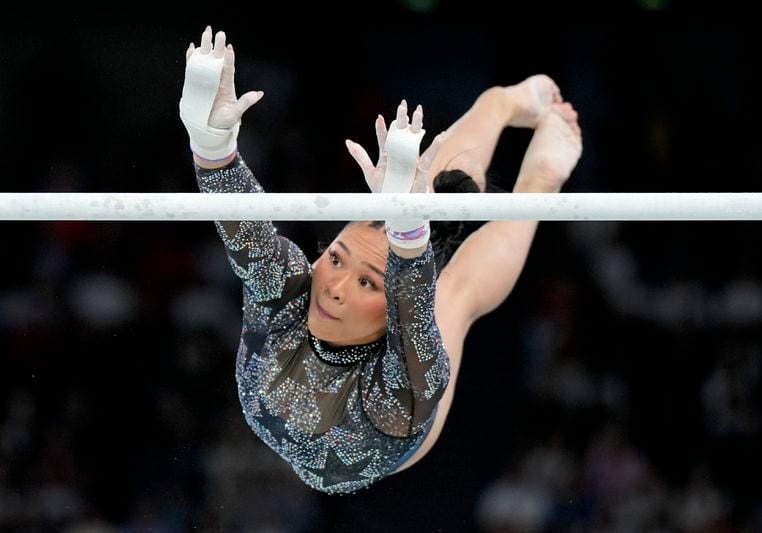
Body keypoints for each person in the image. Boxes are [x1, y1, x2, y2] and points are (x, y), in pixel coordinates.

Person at [179, 26, 582, 494]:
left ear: (393, 312)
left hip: (396, 446)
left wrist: (410, 236)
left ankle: (539, 179)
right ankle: (498, 105)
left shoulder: (403, 380)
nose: (334, 286)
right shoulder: (289, 289)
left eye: (368, 283)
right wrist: (211, 146)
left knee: (454, 292)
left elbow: (412, 295)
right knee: (418, 202)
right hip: (397, 312)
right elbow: (243, 227)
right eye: (335, 259)